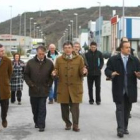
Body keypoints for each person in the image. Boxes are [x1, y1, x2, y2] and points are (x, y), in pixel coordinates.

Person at [105, 41, 140, 138]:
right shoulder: (113, 60)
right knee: (119, 109)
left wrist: (138, 75)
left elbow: (139, 71)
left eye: (129, 47)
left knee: (127, 110)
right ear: (121, 49)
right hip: (119, 88)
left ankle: (125, 127)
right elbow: (107, 70)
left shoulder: (135, 60)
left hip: (130, 89)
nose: (129, 49)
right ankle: (120, 129)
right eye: (126, 47)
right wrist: (111, 73)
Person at [52, 41, 87, 132]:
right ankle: (67, 123)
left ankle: (75, 125)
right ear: (63, 49)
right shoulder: (59, 59)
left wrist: (84, 72)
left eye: (69, 47)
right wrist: (54, 73)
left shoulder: (79, 59)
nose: (67, 49)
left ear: (72, 48)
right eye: (65, 48)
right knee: (64, 108)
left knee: (75, 107)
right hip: (63, 87)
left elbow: (82, 70)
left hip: (75, 87)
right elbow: (56, 70)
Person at [24, 46, 54, 132]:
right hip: (33, 89)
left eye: (43, 54)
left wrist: (49, 84)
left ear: (45, 53)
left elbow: (52, 75)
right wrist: (30, 84)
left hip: (44, 89)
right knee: (35, 108)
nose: (41, 55)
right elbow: (26, 75)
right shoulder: (30, 63)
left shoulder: (49, 63)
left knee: (42, 107)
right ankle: (36, 121)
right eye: (39, 54)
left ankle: (41, 125)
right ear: (37, 53)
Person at [0, 44, 13, 128]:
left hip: (4, 87)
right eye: (1, 51)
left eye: (3, 51)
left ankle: (4, 118)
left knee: (5, 107)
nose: (2, 52)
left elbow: (10, 73)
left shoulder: (7, 61)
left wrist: (6, 81)